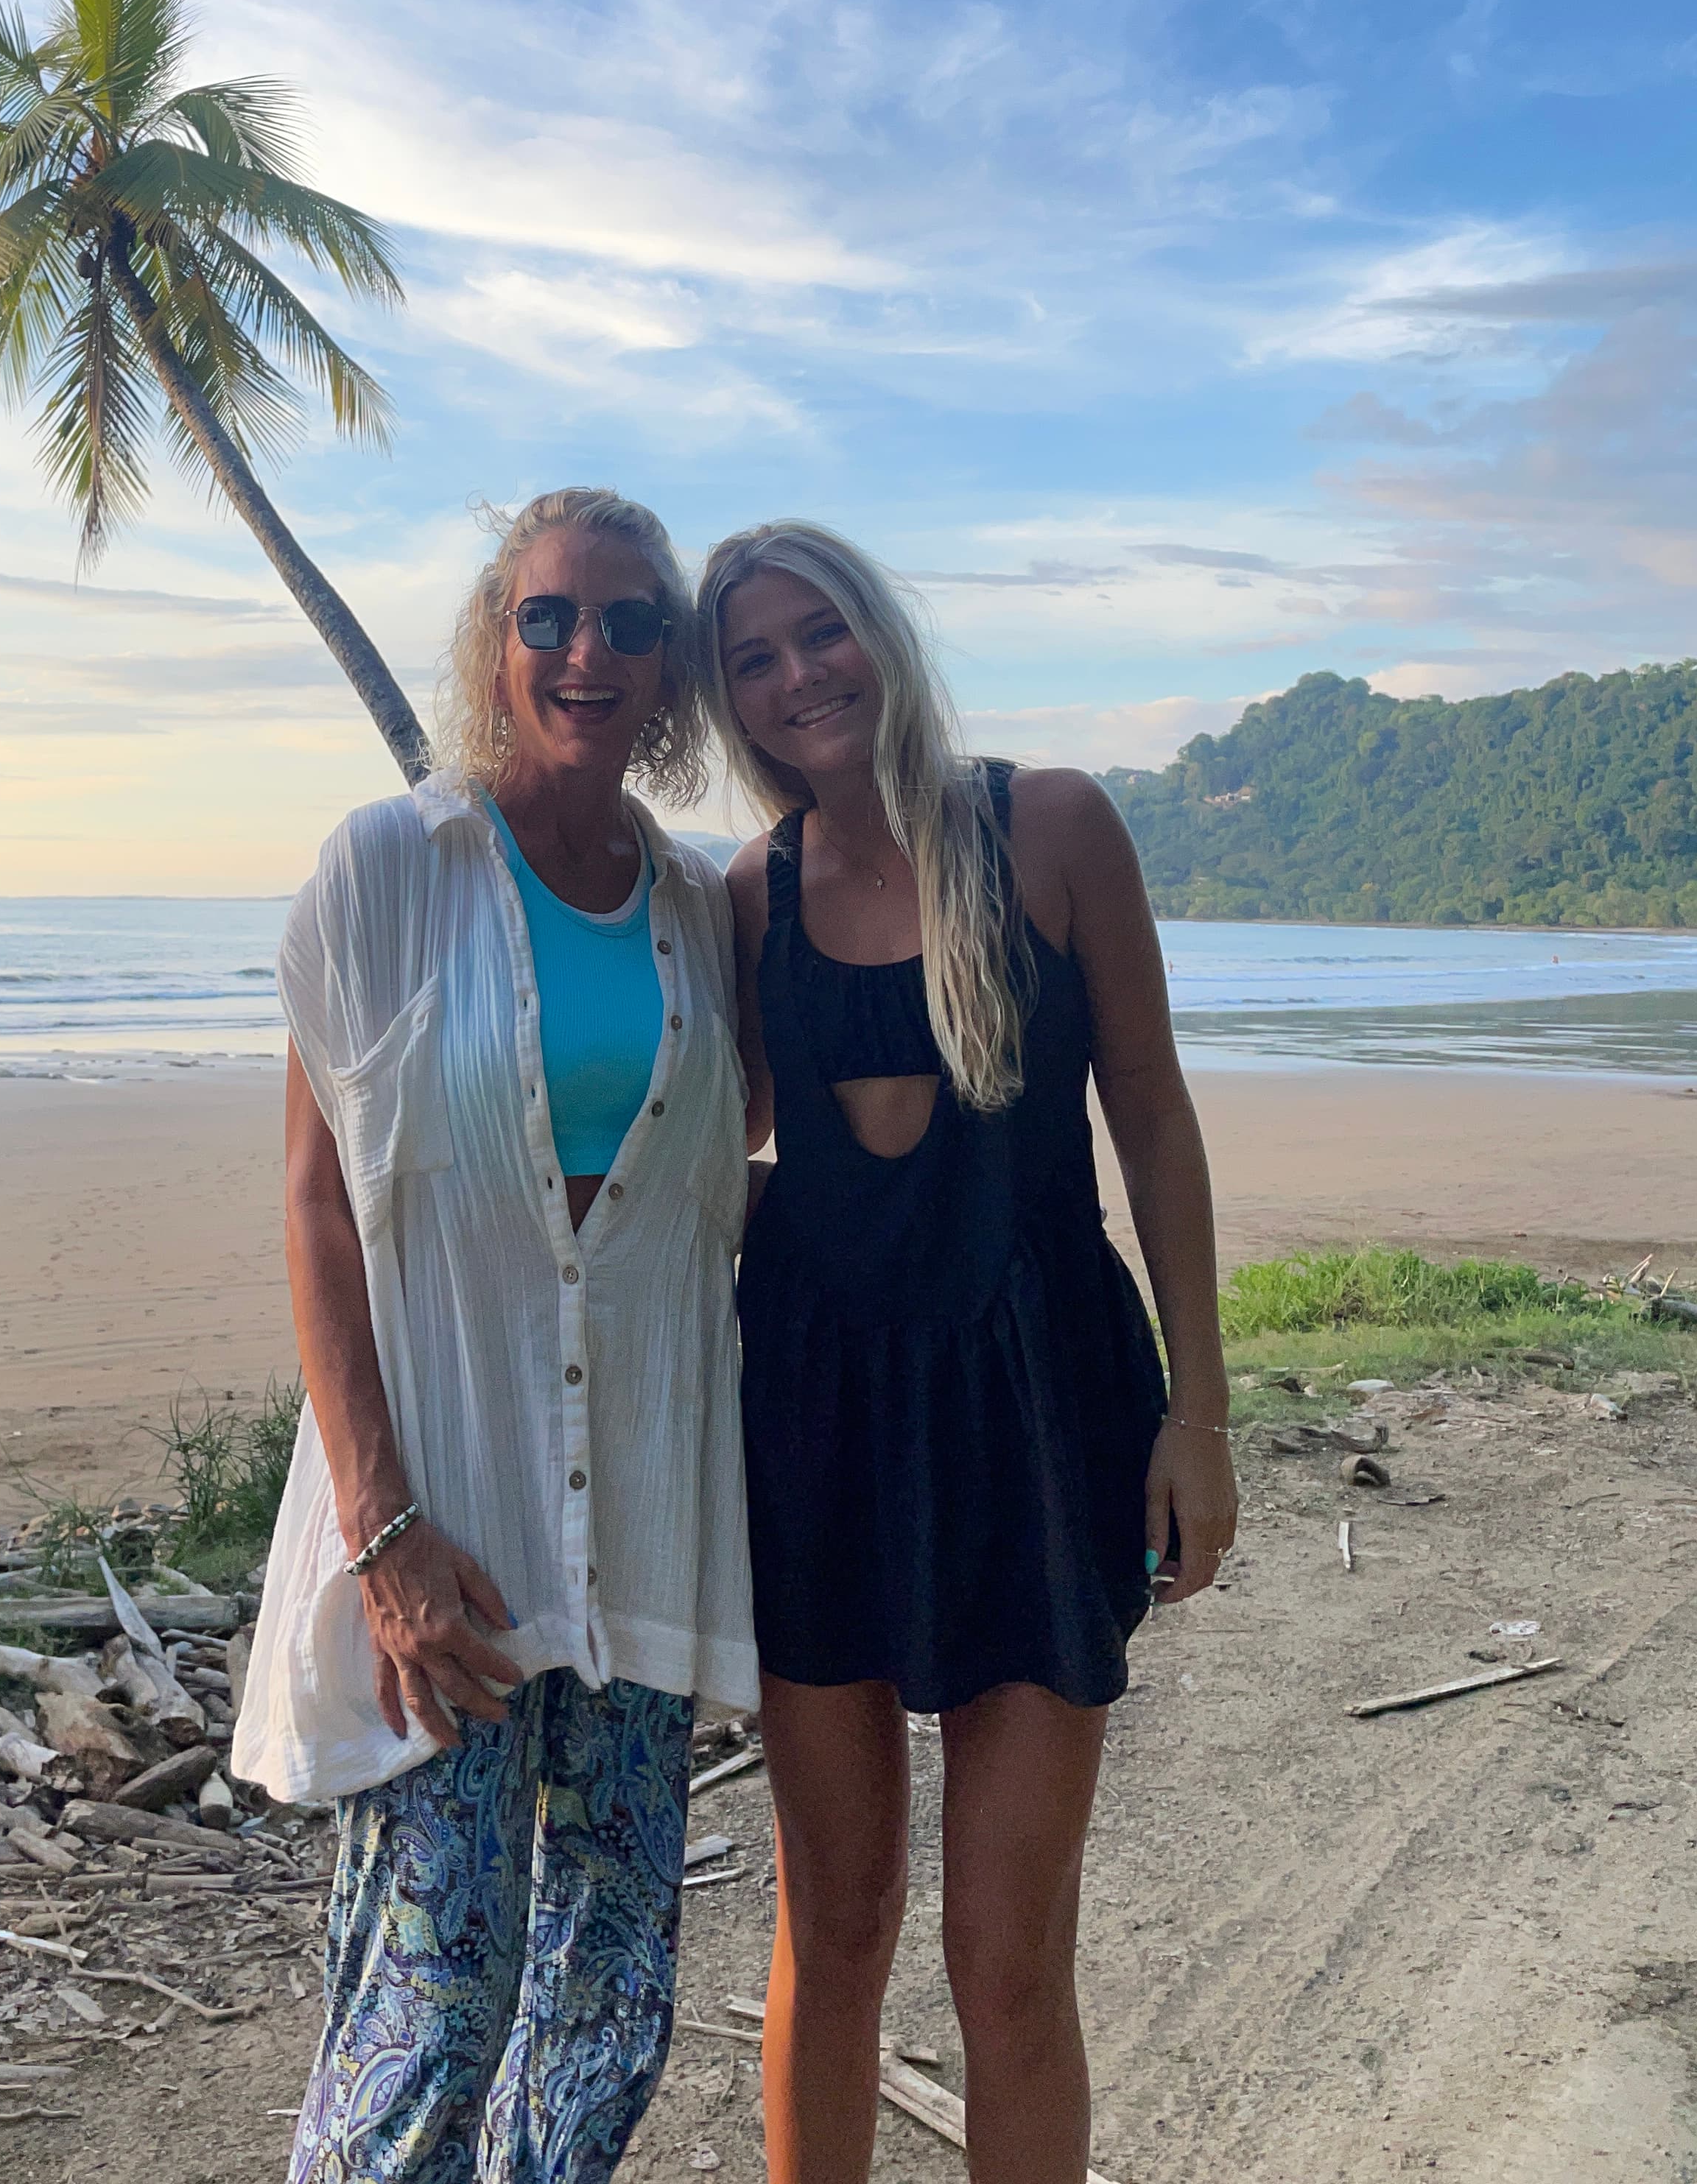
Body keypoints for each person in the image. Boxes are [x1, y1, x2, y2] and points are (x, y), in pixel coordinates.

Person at [692, 521, 1237, 2184]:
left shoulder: (1049, 826)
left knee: (1007, 1961)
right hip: (816, 1425)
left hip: (1040, 1411)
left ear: (881, 634)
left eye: (822, 631)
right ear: (729, 701)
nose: (800, 676)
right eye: (756, 658)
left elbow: (1150, 1112)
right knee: (833, 1928)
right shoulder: (747, 892)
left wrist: (1201, 1413)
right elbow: (691, 1152)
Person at [236, 487, 756, 2184]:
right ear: (498, 641)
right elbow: (318, 1206)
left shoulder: (697, 911)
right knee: (434, 1993)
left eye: (628, 622)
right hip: (444, 1537)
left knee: (613, 1995)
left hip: (640, 1541)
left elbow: (708, 1192)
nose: (586, 651)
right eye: (550, 616)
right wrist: (380, 1528)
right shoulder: (392, 870)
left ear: (672, 667)